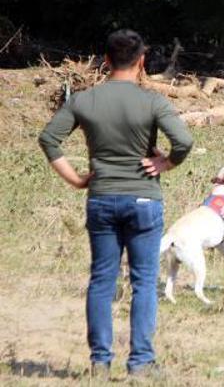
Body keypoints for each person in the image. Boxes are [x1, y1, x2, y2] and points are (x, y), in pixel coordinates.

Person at [38, 29, 193, 379]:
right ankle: (140, 363)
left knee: (102, 280)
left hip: (102, 198)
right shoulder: (153, 101)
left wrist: (77, 179)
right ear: (141, 62)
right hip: (143, 199)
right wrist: (166, 162)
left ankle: (100, 362)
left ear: (104, 60)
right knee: (143, 281)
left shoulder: (83, 100)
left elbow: (49, 139)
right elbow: (183, 140)